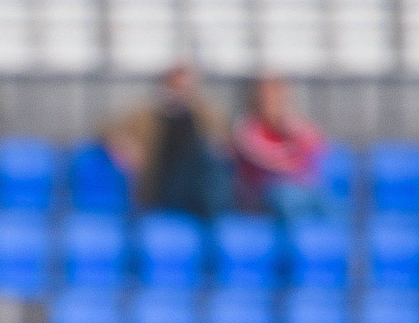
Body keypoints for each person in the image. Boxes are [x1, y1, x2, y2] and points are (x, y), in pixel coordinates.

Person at [105, 64, 229, 221]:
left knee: (207, 158)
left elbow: (223, 137)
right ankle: (215, 219)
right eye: (176, 86)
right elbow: (106, 129)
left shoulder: (201, 114)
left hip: (195, 184)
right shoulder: (146, 114)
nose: (180, 92)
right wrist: (125, 145)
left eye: (186, 87)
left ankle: (216, 220)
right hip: (161, 186)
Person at [231, 76, 327, 220]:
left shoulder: (289, 125)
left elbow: (317, 146)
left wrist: (290, 127)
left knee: (331, 203)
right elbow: (272, 163)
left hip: (300, 189)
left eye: (277, 94)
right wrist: (295, 154)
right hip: (261, 195)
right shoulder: (247, 127)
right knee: (286, 198)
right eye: (267, 94)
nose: (272, 99)